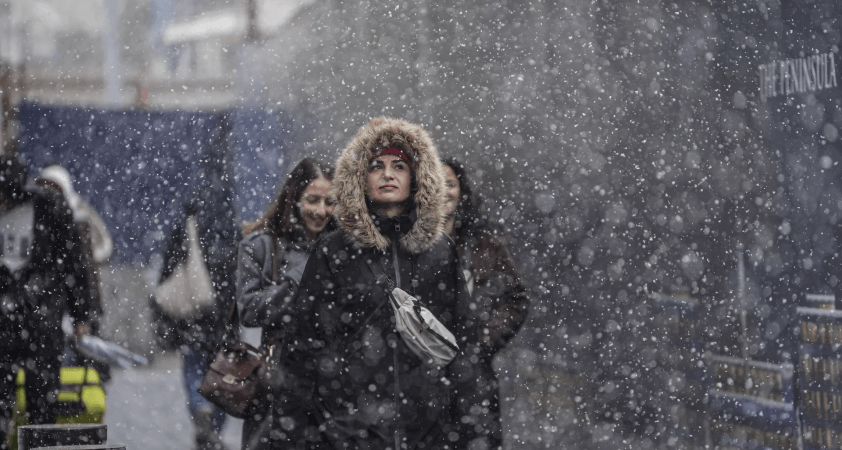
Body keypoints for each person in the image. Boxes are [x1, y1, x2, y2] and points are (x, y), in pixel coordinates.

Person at [283, 117, 474, 450]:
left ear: (417, 177)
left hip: (428, 429)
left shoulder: (441, 250)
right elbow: (303, 344)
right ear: (359, 177)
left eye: (399, 165)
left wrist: (461, 420)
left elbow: (465, 341)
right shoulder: (333, 250)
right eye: (376, 166)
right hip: (350, 431)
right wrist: (300, 433)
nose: (388, 174)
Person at [236, 157, 336, 450]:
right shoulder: (261, 246)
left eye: (330, 202)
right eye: (313, 200)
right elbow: (249, 310)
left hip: (333, 382)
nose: (321, 211)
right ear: (294, 199)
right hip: (277, 379)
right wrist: (297, 278)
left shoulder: (344, 247)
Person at [0, 155, 93, 449]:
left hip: (41, 323)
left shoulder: (49, 209)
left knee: (41, 406)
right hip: (3, 326)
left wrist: (81, 316)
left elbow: (75, 266)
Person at [441, 158, 530, 450]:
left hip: (474, 376)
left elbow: (515, 299)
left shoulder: (485, 245)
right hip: (423, 378)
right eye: (435, 184)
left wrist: (484, 339)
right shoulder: (407, 243)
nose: (443, 191)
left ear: (461, 190)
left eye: (450, 184)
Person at [155, 149, 241, 450]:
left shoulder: (187, 222)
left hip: (192, 309)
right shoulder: (232, 223)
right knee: (225, 371)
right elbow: (242, 271)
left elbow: (168, 269)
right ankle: (214, 423)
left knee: (193, 363)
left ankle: (199, 410)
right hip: (224, 312)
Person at [36, 163, 114, 380]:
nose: (48, 192)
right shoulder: (32, 212)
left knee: (75, 355)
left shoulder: (79, 214)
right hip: (45, 297)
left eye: (53, 187)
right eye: (44, 186)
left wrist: (85, 255)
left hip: (72, 293)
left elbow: (104, 246)